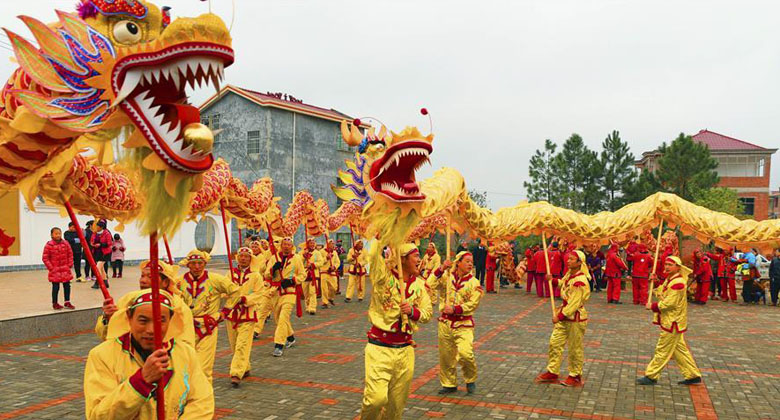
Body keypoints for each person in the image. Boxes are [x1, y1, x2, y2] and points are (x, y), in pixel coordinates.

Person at [84, 289, 214, 419]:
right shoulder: (102, 356)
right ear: (129, 317)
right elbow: (98, 416)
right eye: (143, 320)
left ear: (170, 319)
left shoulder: (185, 353)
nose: (151, 330)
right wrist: (140, 382)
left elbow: (202, 403)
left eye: (160, 321)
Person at [359, 243, 432, 420]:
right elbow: (375, 258)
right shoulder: (382, 278)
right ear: (403, 259)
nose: (419, 259)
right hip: (379, 349)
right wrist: (381, 236)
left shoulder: (420, 285)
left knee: (396, 406)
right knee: (375, 400)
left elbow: (427, 312)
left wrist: (412, 312)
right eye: (415, 256)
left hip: (405, 350)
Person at [176, 250, 240, 383]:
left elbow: (235, 291)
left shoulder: (215, 279)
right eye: (193, 263)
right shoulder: (179, 282)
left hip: (208, 327)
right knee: (184, 364)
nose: (197, 266)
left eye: (200, 263)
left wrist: (225, 311)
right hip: (186, 328)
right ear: (188, 265)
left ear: (205, 264)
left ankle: (204, 399)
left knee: (204, 367)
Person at [96, 260, 195, 345]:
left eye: (150, 277)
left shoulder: (179, 307)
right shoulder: (128, 300)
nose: (143, 280)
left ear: (165, 282)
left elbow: (186, 345)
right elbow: (109, 338)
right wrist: (108, 319)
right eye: (142, 276)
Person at [637, 256, 702, 386]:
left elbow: (669, 303)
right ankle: (693, 374)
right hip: (671, 321)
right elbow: (661, 292)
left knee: (662, 349)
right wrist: (655, 283)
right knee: (680, 350)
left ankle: (651, 375)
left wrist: (653, 307)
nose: (666, 267)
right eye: (666, 264)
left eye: (670, 265)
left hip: (673, 321)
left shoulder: (678, 283)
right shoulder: (670, 280)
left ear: (678, 267)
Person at [428, 251, 484, 394]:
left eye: (471, 262)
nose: (470, 264)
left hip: (463, 324)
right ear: (458, 262)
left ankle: (470, 379)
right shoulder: (447, 277)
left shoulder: (474, 282)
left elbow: (473, 304)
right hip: (445, 323)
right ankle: (449, 383)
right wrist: (441, 269)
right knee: (446, 356)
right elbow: (429, 284)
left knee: (466, 353)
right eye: (467, 261)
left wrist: (456, 309)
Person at [535, 250, 591, 387]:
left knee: (574, 348)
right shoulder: (570, 275)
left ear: (579, 263)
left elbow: (574, 303)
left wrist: (559, 316)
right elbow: (564, 284)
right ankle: (552, 371)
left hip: (575, 318)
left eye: (572, 259)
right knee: (555, 343)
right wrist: (553, 281)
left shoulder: (580, 281)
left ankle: (575, 375)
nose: (568, 261)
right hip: (564, 317)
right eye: (569, 258)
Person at [224, 247, 265, 387]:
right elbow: (224, 290)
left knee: (242, 345)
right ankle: (245, 366)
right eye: (241, 256)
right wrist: (229, 294)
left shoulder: (256, 276)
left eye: (246, 256)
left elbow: (260, 294)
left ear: (250, 259)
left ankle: (236, 373)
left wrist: (245, 299)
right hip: (232, 314)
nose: (243, 258)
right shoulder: (230, 273)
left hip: (247, 314)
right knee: (235, 345)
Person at [265, 237, 306, 357]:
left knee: (283, 317)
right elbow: (266, 274)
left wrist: (293, 280)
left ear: (292, 246)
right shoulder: (274, 258)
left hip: (290, 292)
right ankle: (291, 337)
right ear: (281, 245)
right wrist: (273, 269)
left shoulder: (297, 258)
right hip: (276, 292)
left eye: (289, 244)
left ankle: (278, 345)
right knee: (278, 319)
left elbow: (302, 274)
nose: (286, 246)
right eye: (285, 244)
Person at [43, 227, 75, 310]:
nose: (58, 235)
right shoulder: (49, 245)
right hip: (55, 270)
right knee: (55, 287)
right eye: (56, 233)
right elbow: (45, 258)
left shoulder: (66, 243)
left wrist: (69, 265)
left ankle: (67, 302)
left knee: (67, 286)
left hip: (65, 269)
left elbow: (70, 254)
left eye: (59, 233)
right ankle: (55, 303)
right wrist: (51, 268)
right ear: (51, 235)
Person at [299, 238, 324, 315]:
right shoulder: (302, 252)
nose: (312, 245)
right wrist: (304, 256)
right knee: (306, 293)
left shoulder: (317, 253)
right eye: (311, 243)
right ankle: (307, 306)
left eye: (313, 243)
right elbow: (298, 262)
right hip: (305, 274)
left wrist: (313, 265)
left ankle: (312, 307)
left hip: (314, 274)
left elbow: (321, 262)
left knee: (312, 292)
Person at [90, 219, 113, 289]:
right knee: (101, 269)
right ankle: (105, 282)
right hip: (97, 252)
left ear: (101, 227)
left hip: (105, 253)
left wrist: (100, 245)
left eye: (97, 226)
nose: (96, 228)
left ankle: (98, 282)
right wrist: (92, 244)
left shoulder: (107, 233)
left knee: (97, 268)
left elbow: (109, 243)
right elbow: (91, 240)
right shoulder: (95, 233)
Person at [320, 239, 340, 309]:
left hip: (332, 272)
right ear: (327, 244)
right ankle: (325, 302)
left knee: (334, 287)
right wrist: (326, 258)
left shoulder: (334, 252)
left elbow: (338, 262)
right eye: (331, 244)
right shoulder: (322, 252)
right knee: (324, 288)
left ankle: (330, 298)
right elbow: (320, 262)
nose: (333, 245)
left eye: (333, 244)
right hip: (324, 272)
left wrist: (334, 267)